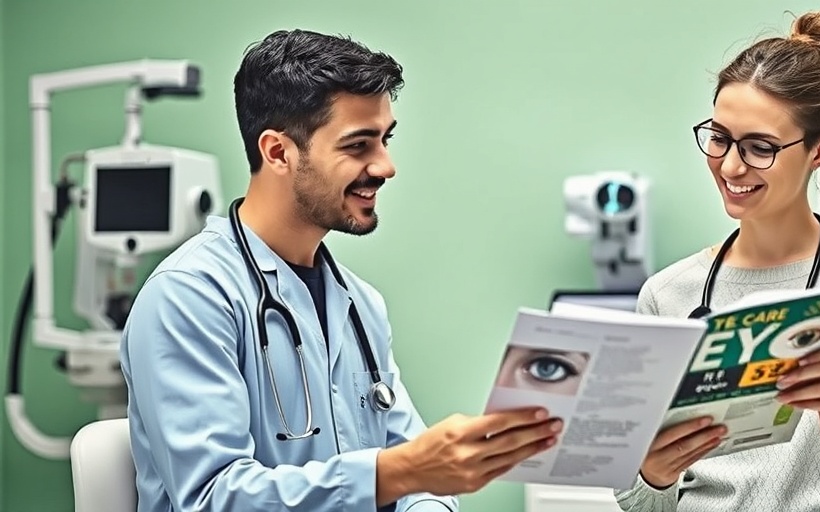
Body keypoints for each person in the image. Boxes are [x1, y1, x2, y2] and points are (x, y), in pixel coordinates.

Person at [119, 29, 564, 512]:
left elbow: (419, 479)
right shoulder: (190, 296)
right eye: (359, 145)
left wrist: (424, 492)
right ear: (278, 152)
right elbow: (211, 498)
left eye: (385, 140)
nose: (386, 166)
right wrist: (396, 473)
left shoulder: (359, 304)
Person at [614, 9, 820, 512]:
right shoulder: (667, 293)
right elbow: (637, 504)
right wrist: (653, 474)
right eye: (719, 137)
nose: (730, 166)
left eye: (760, 147)